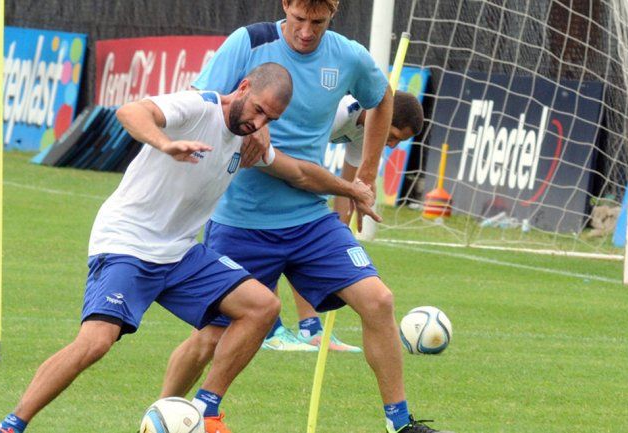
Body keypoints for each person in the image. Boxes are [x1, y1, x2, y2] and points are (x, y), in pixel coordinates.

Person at [0, 62, 379, 433]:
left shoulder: (249, 136)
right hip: (129, 242)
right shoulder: (199, 106)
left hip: (179, 251)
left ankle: (205, 410)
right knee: (96, 342)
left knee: (262, 307)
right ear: (243, 88)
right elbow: (131, 111)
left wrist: (351, 189)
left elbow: (297, 172)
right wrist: (165, 143)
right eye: (258, 110)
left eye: (269, 120)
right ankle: (12, 424)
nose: (259, 122)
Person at [160, 2, 451, 432]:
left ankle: (400, 424)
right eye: (299, 20)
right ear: (286, 5)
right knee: (211, 337)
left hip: (311, 223)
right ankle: (163, 414)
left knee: (379, 302)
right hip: (242, 222)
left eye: (318, 22)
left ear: (333, 12)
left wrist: (367, 174)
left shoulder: (347, 55)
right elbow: (200, 103)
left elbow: (383, 98)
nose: (306, 32)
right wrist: (246, 118)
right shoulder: (249, 42)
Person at [265, 91, 425, 353]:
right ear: (382, 117)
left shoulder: (364, 132)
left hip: (295, 165)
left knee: (311, 238)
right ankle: (271, 330)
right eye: (394, 136)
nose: (393, 146)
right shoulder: (339, 111)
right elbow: (293, 149)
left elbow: (348, 187)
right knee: (284, 232)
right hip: (266, 156)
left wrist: (338, 238)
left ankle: (310, 329)